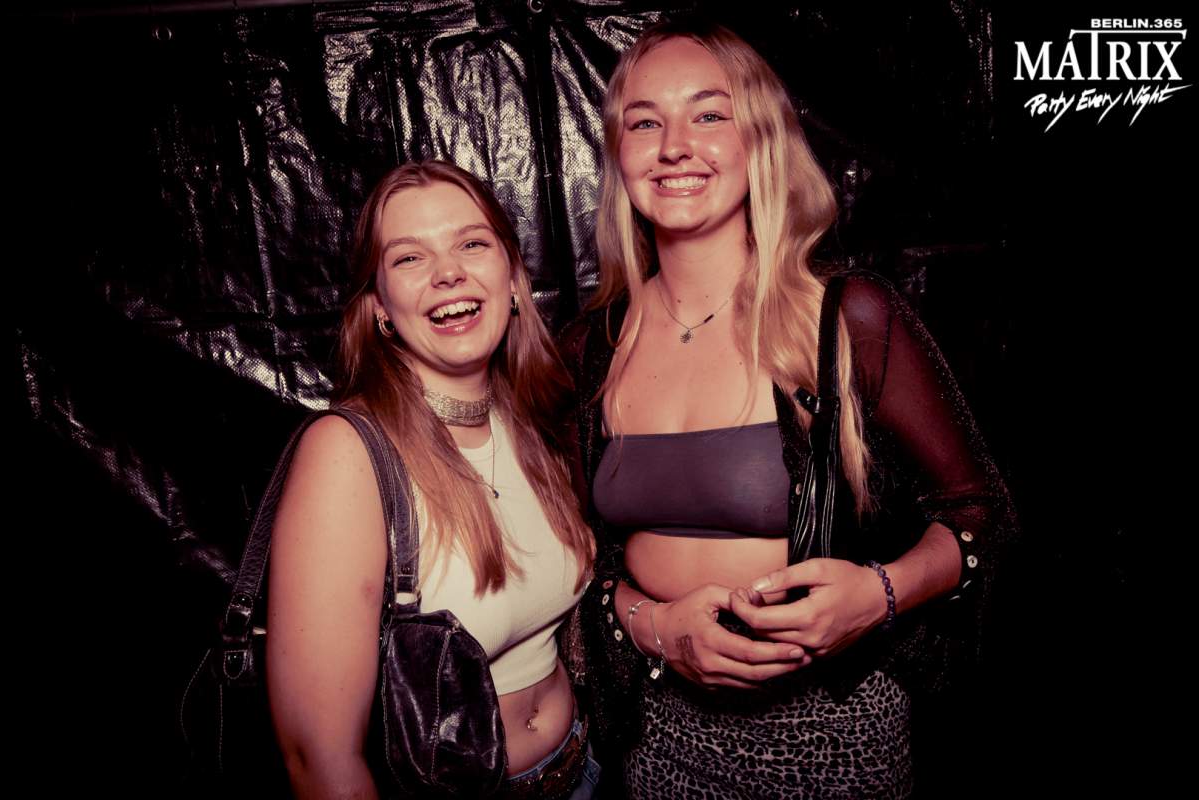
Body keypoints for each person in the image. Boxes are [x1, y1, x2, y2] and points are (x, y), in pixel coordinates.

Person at [559, 19, 1015, 799]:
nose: (674, 146)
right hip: (660, 729)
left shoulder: (845, 319)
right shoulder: (591, 347)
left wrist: (879, 595)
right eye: (644, 122)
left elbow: (981, 511)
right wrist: (655, 627)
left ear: (760, 138)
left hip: (836, 730)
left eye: (709, 113)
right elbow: (583, 560)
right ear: (618, 154)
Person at [266, 161, 600, 799]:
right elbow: (317, 756)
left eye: (472, 244)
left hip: (584, 771)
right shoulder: (346, 454)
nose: (449, 273)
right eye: (409, 258)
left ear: (513, 280)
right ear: (380, 309)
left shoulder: (529, 419)